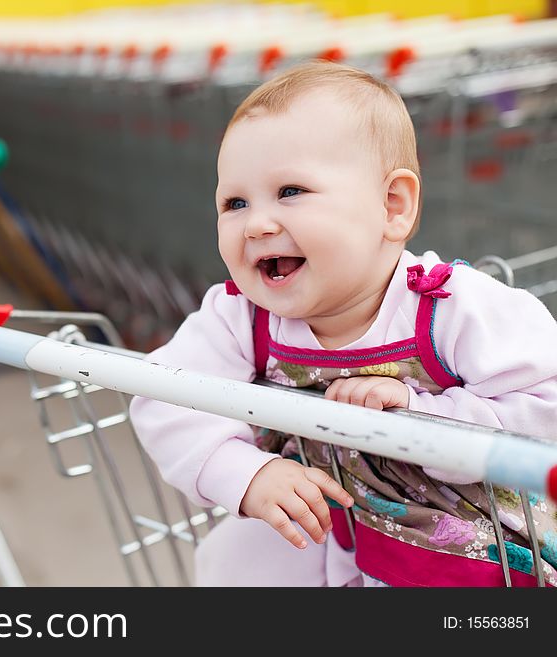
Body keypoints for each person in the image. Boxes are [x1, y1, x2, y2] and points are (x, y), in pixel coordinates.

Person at [128, 61, 557, 587]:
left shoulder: (450, 307)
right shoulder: (241, 316)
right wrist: (245, 474)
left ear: (391, 206)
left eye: (290, 191)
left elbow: (545, 407)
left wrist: (424, 414)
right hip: (311, 523)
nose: (258, 223)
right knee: (237, 566)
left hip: (455, 537)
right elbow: (161, 393)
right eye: (234, 203)